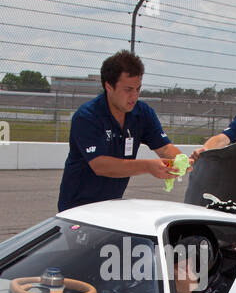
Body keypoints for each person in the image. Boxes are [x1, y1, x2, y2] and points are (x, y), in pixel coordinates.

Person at [57, 51, 182, 211]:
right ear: (109, 86)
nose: (134, 96)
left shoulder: (143, 113)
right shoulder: (87, 116)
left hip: (112, 207)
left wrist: (182, 161)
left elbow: (164, 147)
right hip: (78, 210)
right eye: (128, 89)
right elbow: (100, 165)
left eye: (138, 89)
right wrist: (148, 167)